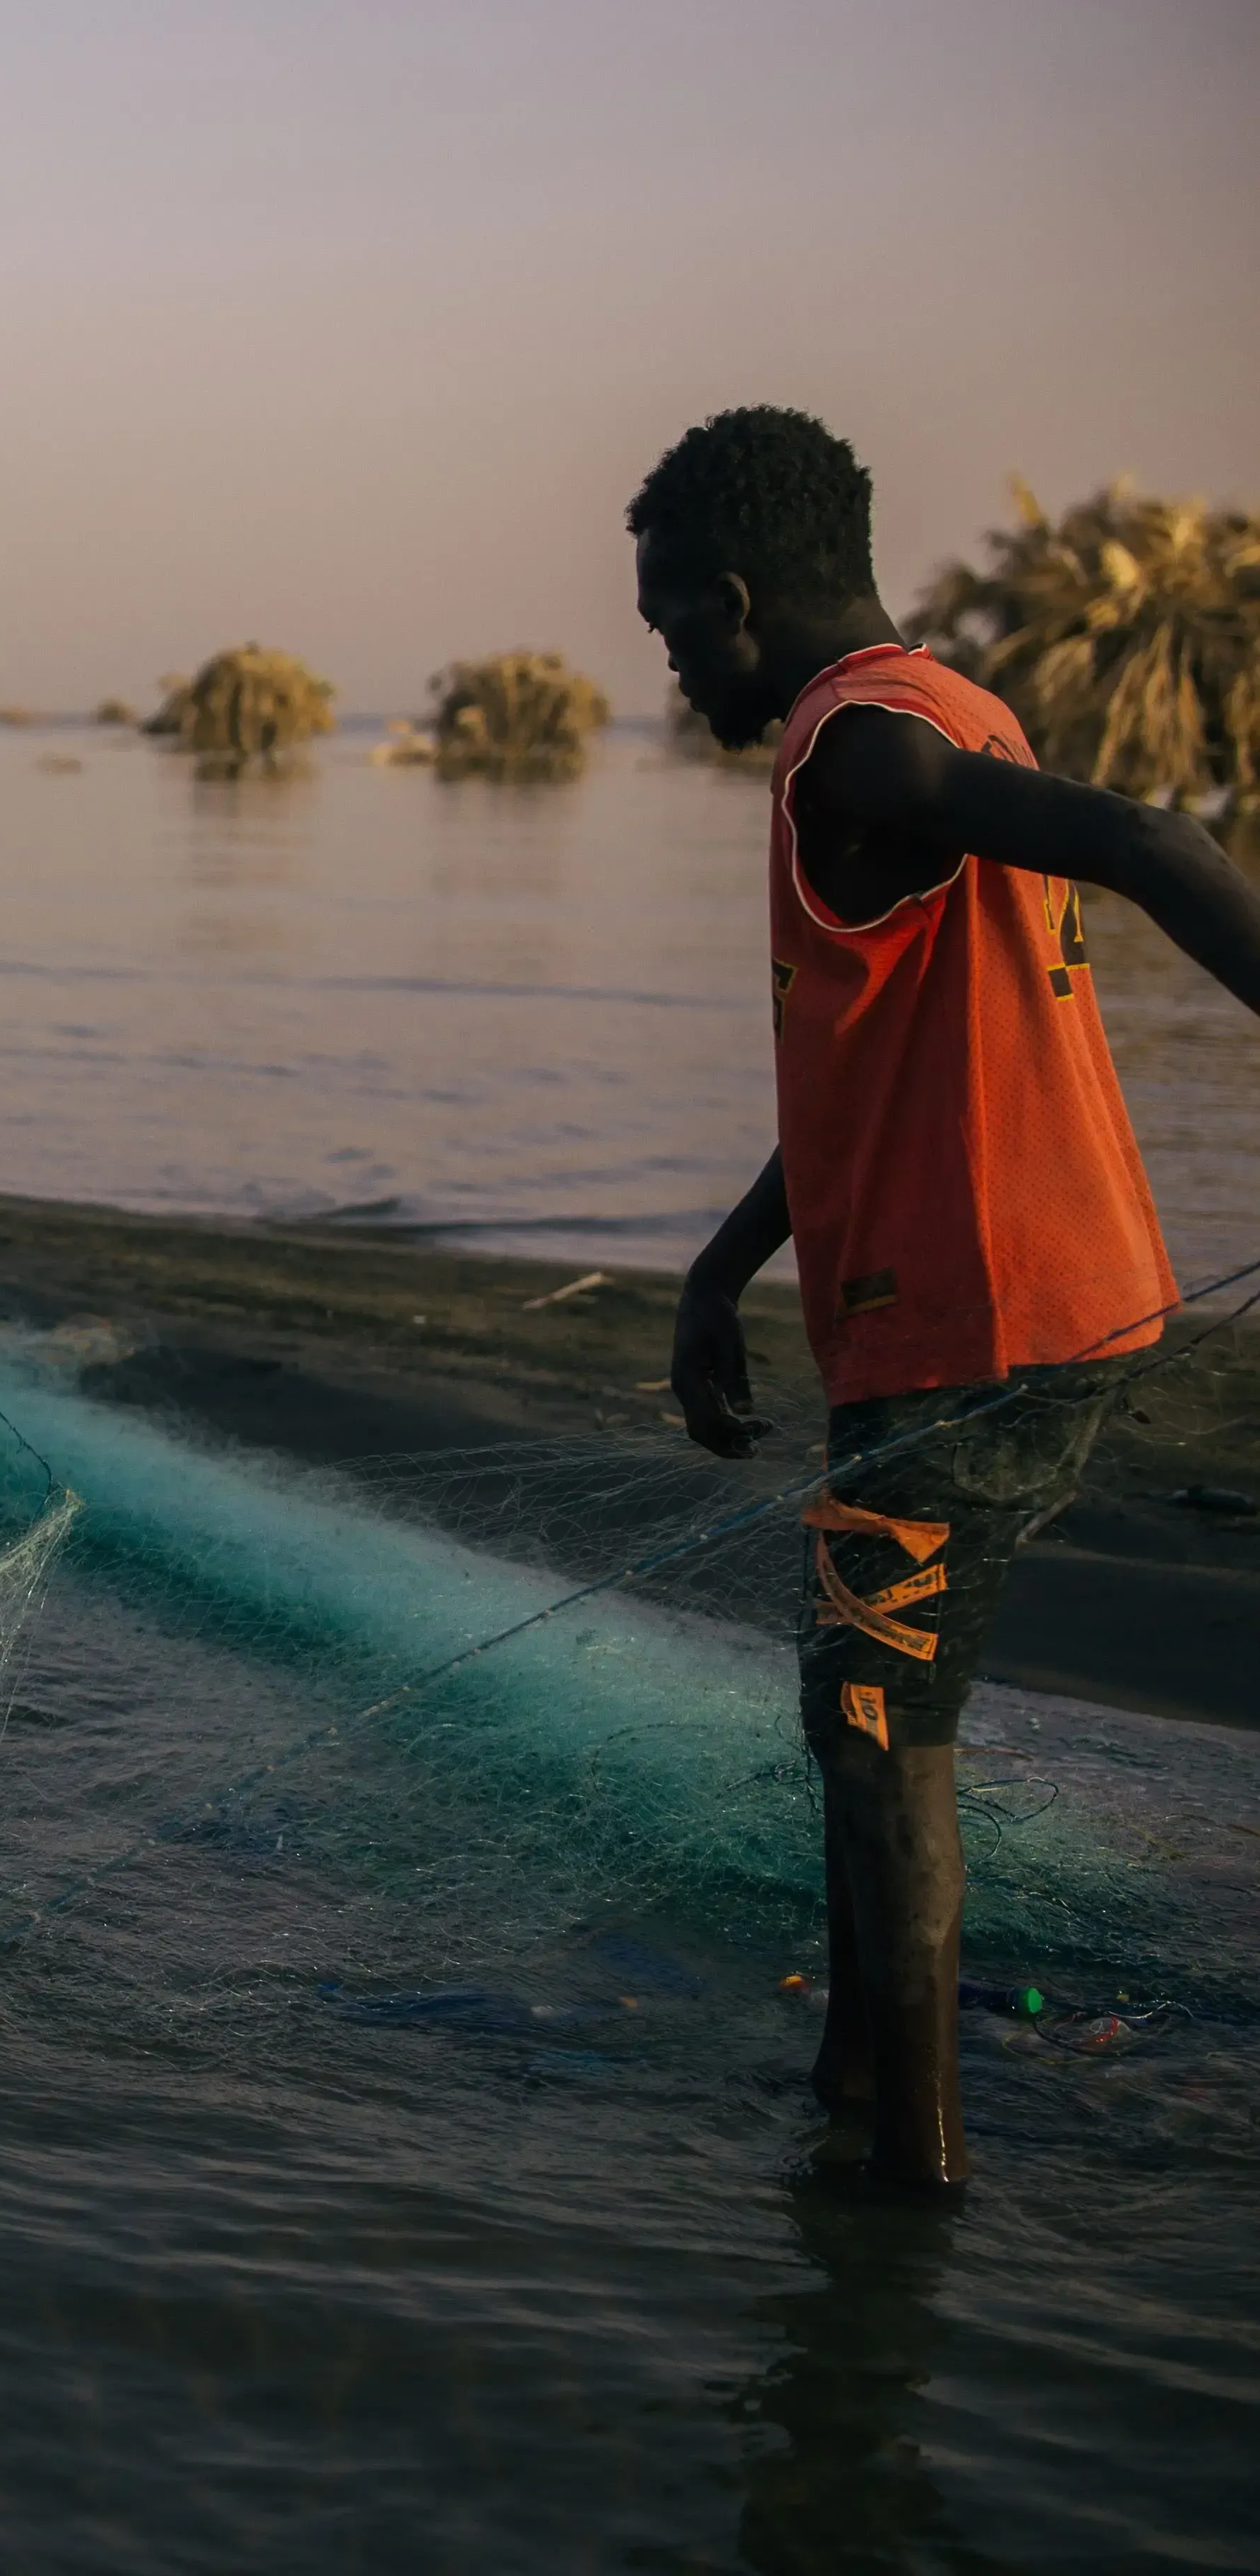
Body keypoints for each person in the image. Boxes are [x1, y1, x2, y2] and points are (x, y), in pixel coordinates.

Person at [633, 405, 1260, 2188]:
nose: (673, 666)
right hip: (1050, 1306)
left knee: (873, 1725)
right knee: (853, 1701)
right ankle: (850, 2074)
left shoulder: (853, 754)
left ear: (734, 600)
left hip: (973, 1334)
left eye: (671, 629)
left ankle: (905, 2169)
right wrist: (717, 1267)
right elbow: (867, 1064)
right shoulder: (945, 705)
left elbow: (1138, 837)